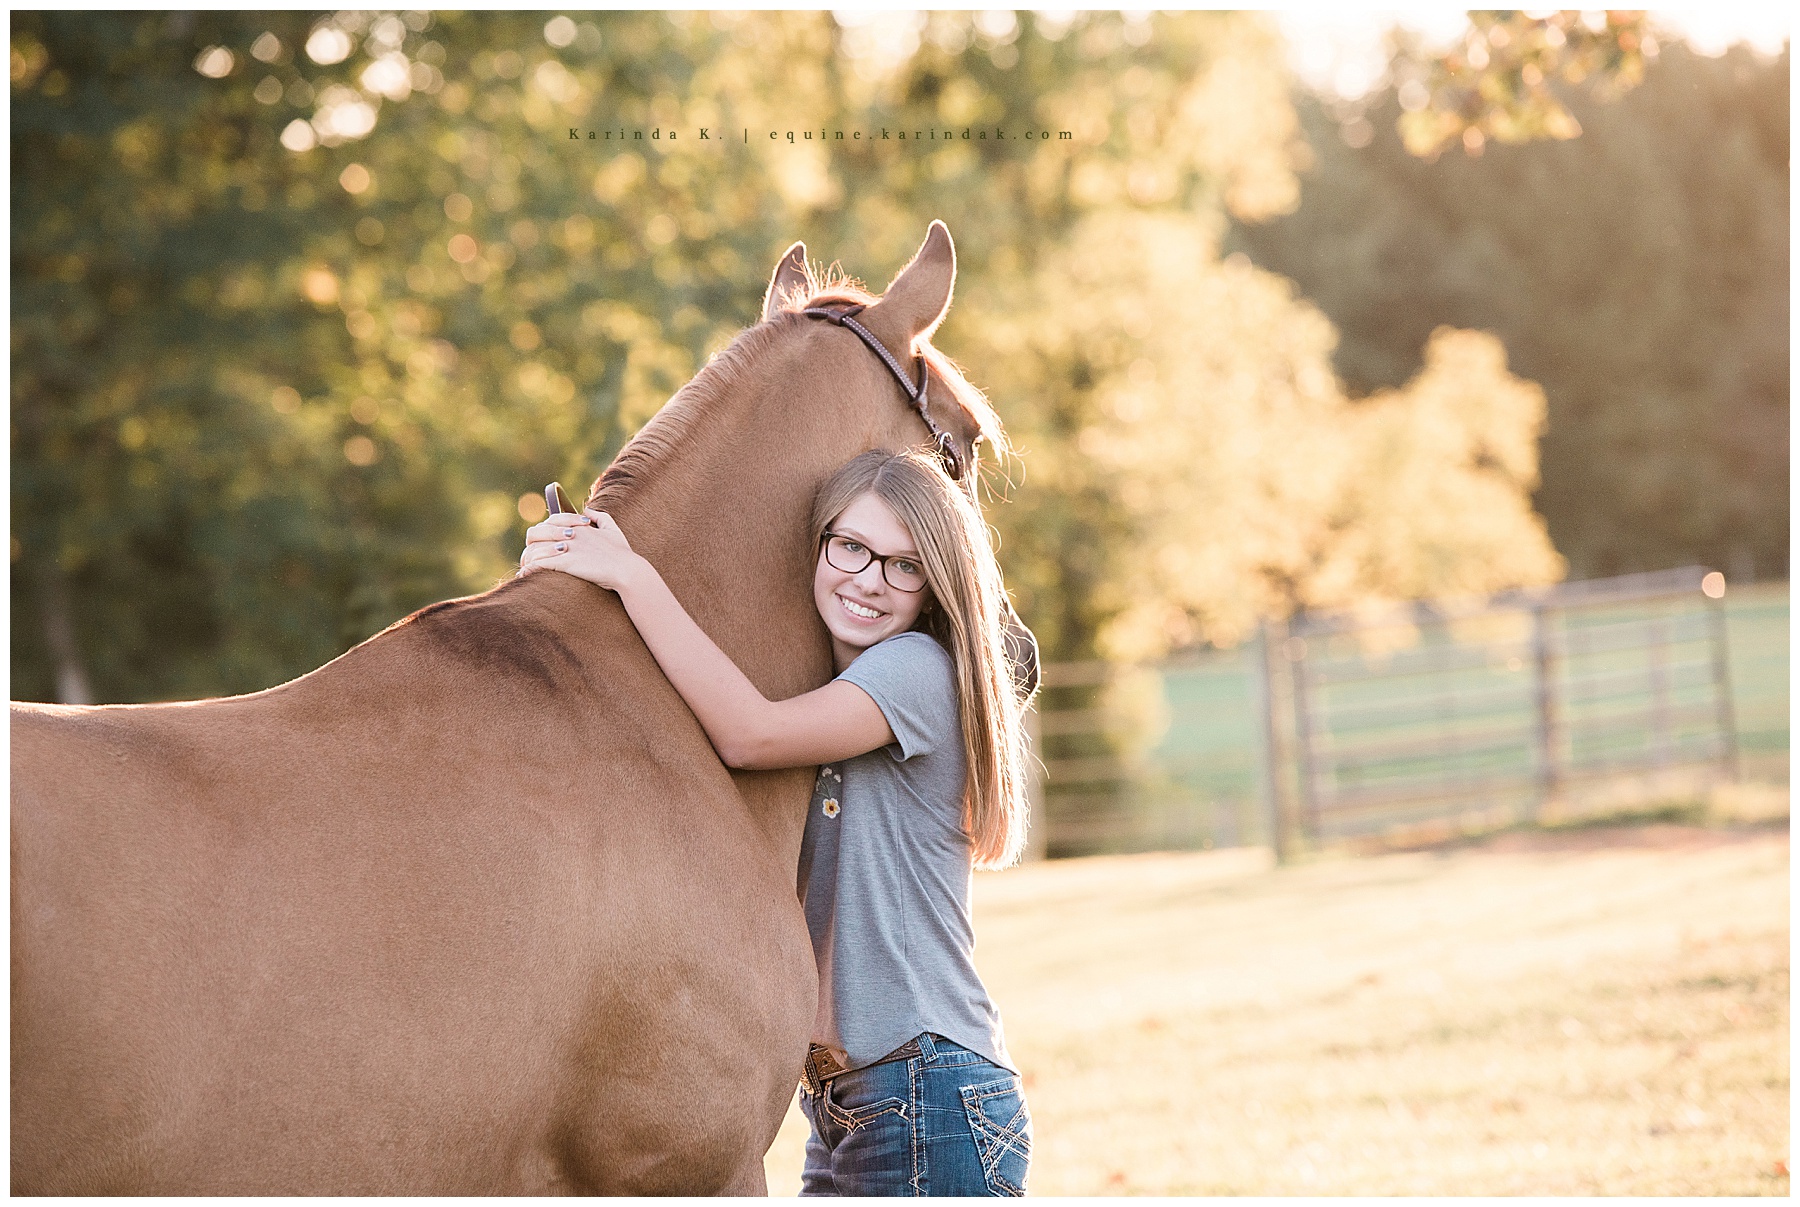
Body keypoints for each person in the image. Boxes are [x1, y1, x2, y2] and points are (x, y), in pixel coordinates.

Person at [518, 447, 1034, 1197]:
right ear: (820, 544)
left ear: (932, 589)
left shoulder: (913, 669)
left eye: (904, 565)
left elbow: (748, 733)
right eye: (851, 547)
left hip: (926, 1091)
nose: (868, 579)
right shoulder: (834, 690)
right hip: (852, 1099)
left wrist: (631, 572)